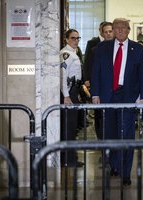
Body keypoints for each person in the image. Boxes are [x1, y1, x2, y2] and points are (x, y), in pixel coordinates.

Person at [91, 18, 143, 186]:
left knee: (127, 135)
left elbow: (142, 74)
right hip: (107, 96)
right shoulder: (102, 48)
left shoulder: (137, 49)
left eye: (123, 28)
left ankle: (125, 173)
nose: (120, 31)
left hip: (128, 96)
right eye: (116, 28)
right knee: (110, 134)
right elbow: (96, 71)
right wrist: (95, 94)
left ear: (129, 30)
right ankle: (114, 165)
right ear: (112, 31)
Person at [60, 29, 84, 167]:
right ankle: (68, 159)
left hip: (74, 90)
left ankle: (70, 157)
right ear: (66, 39)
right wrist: (66, 95)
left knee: (72, 125)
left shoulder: (72, 53)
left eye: (77, 38)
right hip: (69, 92)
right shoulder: (66, 54)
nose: (76, 41)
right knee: (69, 126)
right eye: (73, 38)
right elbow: (63, 76)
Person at [90, 21, 114, 140]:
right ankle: (103, 147)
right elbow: (93, 72)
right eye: (106, 32)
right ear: (102, 34)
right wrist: (95, 93)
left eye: (110, 31)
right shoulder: (96, 49)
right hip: (103, 92)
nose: (109, 34)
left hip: (119, 92)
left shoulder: (123, 48)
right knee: (102, 121)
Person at [83, 21, 106, 88]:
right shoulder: (92, 42)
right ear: (100, 30)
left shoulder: (112, 42)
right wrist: (86, 78)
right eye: (103, 29)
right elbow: (87, 61)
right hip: (94, 76)